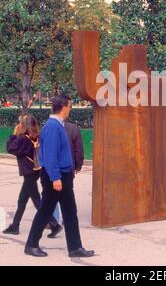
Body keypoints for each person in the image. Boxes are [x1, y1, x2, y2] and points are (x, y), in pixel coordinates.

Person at [24, 95, 94, 258]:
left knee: (69, 211)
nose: (70, 109)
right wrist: (55, 178)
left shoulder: (55, 125)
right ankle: (31, 244)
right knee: (45, 210)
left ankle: (75, 247)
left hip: (62, 176)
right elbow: (50, 156)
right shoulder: (53, 127)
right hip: (56, 177)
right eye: (69, 106)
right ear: (63, 108)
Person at [2, 114, 62, 237]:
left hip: (28, 172)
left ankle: (54, 224)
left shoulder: (23, 139)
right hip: (36, 170)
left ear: (23, 125)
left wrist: (13, 134)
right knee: (22, 200)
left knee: (37, 201)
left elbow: (10, 148)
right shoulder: (37, 137)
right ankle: (15, 226)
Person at [47, 121, 84, 238]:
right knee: (67, 195)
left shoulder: (48, 128)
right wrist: (78, 165)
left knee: (52, 196)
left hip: (53, 168)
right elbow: (78, 150)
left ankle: (55, 218)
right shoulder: (73, 129)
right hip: (68, 168)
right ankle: (66, 219)